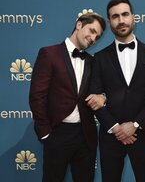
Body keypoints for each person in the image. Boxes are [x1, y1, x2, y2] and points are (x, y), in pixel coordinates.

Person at [87, 0, 145, 182]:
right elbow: (94, 98)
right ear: (109, 22)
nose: (121, 20)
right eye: (115, 16)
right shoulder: (99, 58)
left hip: (143, 134)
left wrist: (135, 125)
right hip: (110, 138)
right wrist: (116, 128)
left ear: (133, 17)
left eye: (125, 14)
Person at [29, 11, 106, 182]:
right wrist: (45, 134)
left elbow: (102, 90)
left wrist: (103, 96)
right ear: (79, 25)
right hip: (57, 133)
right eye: (92, 31)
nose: (94, 39)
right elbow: (37, 95)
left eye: (98, 37)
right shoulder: (49, 54)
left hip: (86, 135)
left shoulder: (93, 61)